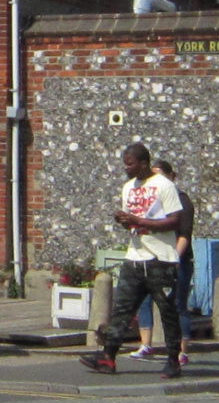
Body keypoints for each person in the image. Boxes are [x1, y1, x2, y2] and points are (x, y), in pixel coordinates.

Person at [79, 143, 184, 380]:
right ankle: (108, 357)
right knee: (122, 310)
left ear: (144, 164)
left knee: (168, 312)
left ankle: (173, 362)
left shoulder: (164, 186)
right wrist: (124, 220)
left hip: (161, 259)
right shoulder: (128, 187)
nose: (126, 168)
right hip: (135, 257)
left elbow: (175, 221)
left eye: (130, 164)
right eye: (125, 163)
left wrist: (140, 221)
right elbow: (134, 223)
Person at [127, 159, 194, 365]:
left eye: (160, 175)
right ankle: (146, 345)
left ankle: (181, 351)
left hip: (176, 260)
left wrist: (173, 259)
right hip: (150, 258)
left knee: (177, 304)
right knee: (145, 301)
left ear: (172, 177)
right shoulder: (151, 198)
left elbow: (184, 234)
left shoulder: (182, 200)